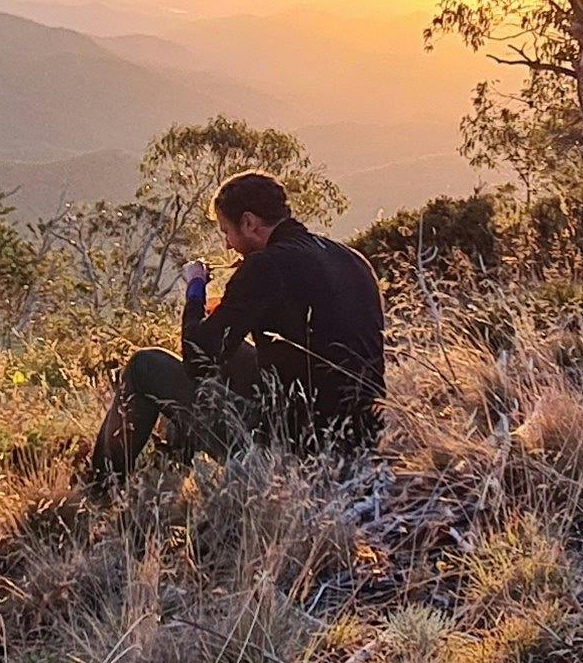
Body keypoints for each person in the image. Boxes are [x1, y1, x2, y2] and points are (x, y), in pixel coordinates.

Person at [95, 170, 386, 477]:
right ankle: (173, 464)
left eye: (226, 232)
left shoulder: (266, 266)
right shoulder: (352, 258)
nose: (227, 246)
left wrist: (195, 290)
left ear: (249, 223)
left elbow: (197, 358)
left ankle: (99, 488)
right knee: (231, 353)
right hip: (362, 438)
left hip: (294, 447)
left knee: (145, 366)